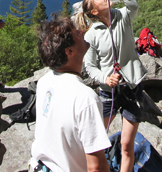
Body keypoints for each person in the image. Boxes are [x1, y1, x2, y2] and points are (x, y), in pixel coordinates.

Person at [76, 0, 145, 172]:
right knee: (96, 142)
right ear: (94, 12)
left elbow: (133, 4)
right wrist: (106, 78)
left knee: (126, 145)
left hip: (132, 88)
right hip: (108, 94)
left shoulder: (123, 17)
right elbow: (90, 67)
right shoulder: (91, 36)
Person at [29, 14, 111, 172]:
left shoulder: (45, 81)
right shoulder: (85, 98)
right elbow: (96, 167)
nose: (81, 31)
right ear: (70, 51)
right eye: (77, 33)